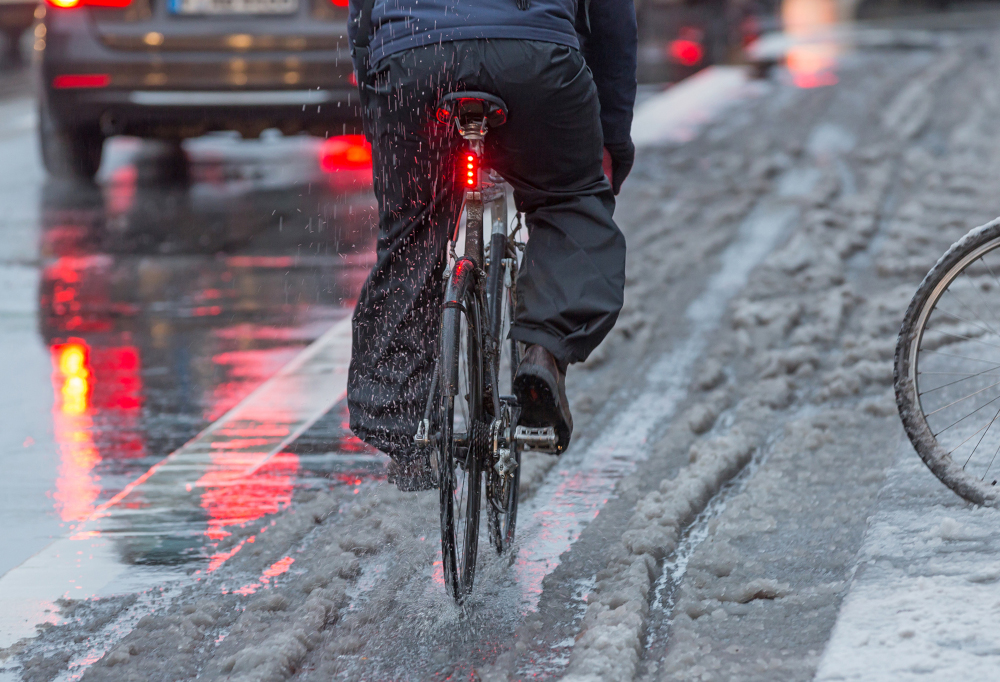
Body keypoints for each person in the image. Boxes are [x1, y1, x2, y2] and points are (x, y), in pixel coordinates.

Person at [346, 0, 637, 491]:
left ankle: (401, 425)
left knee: (412, 232)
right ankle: (543, 351)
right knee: (568, 201)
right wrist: (613, 139)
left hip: (414, 58)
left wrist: (383, 112)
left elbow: (362, 18)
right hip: (535, 59)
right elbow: (612, 21)